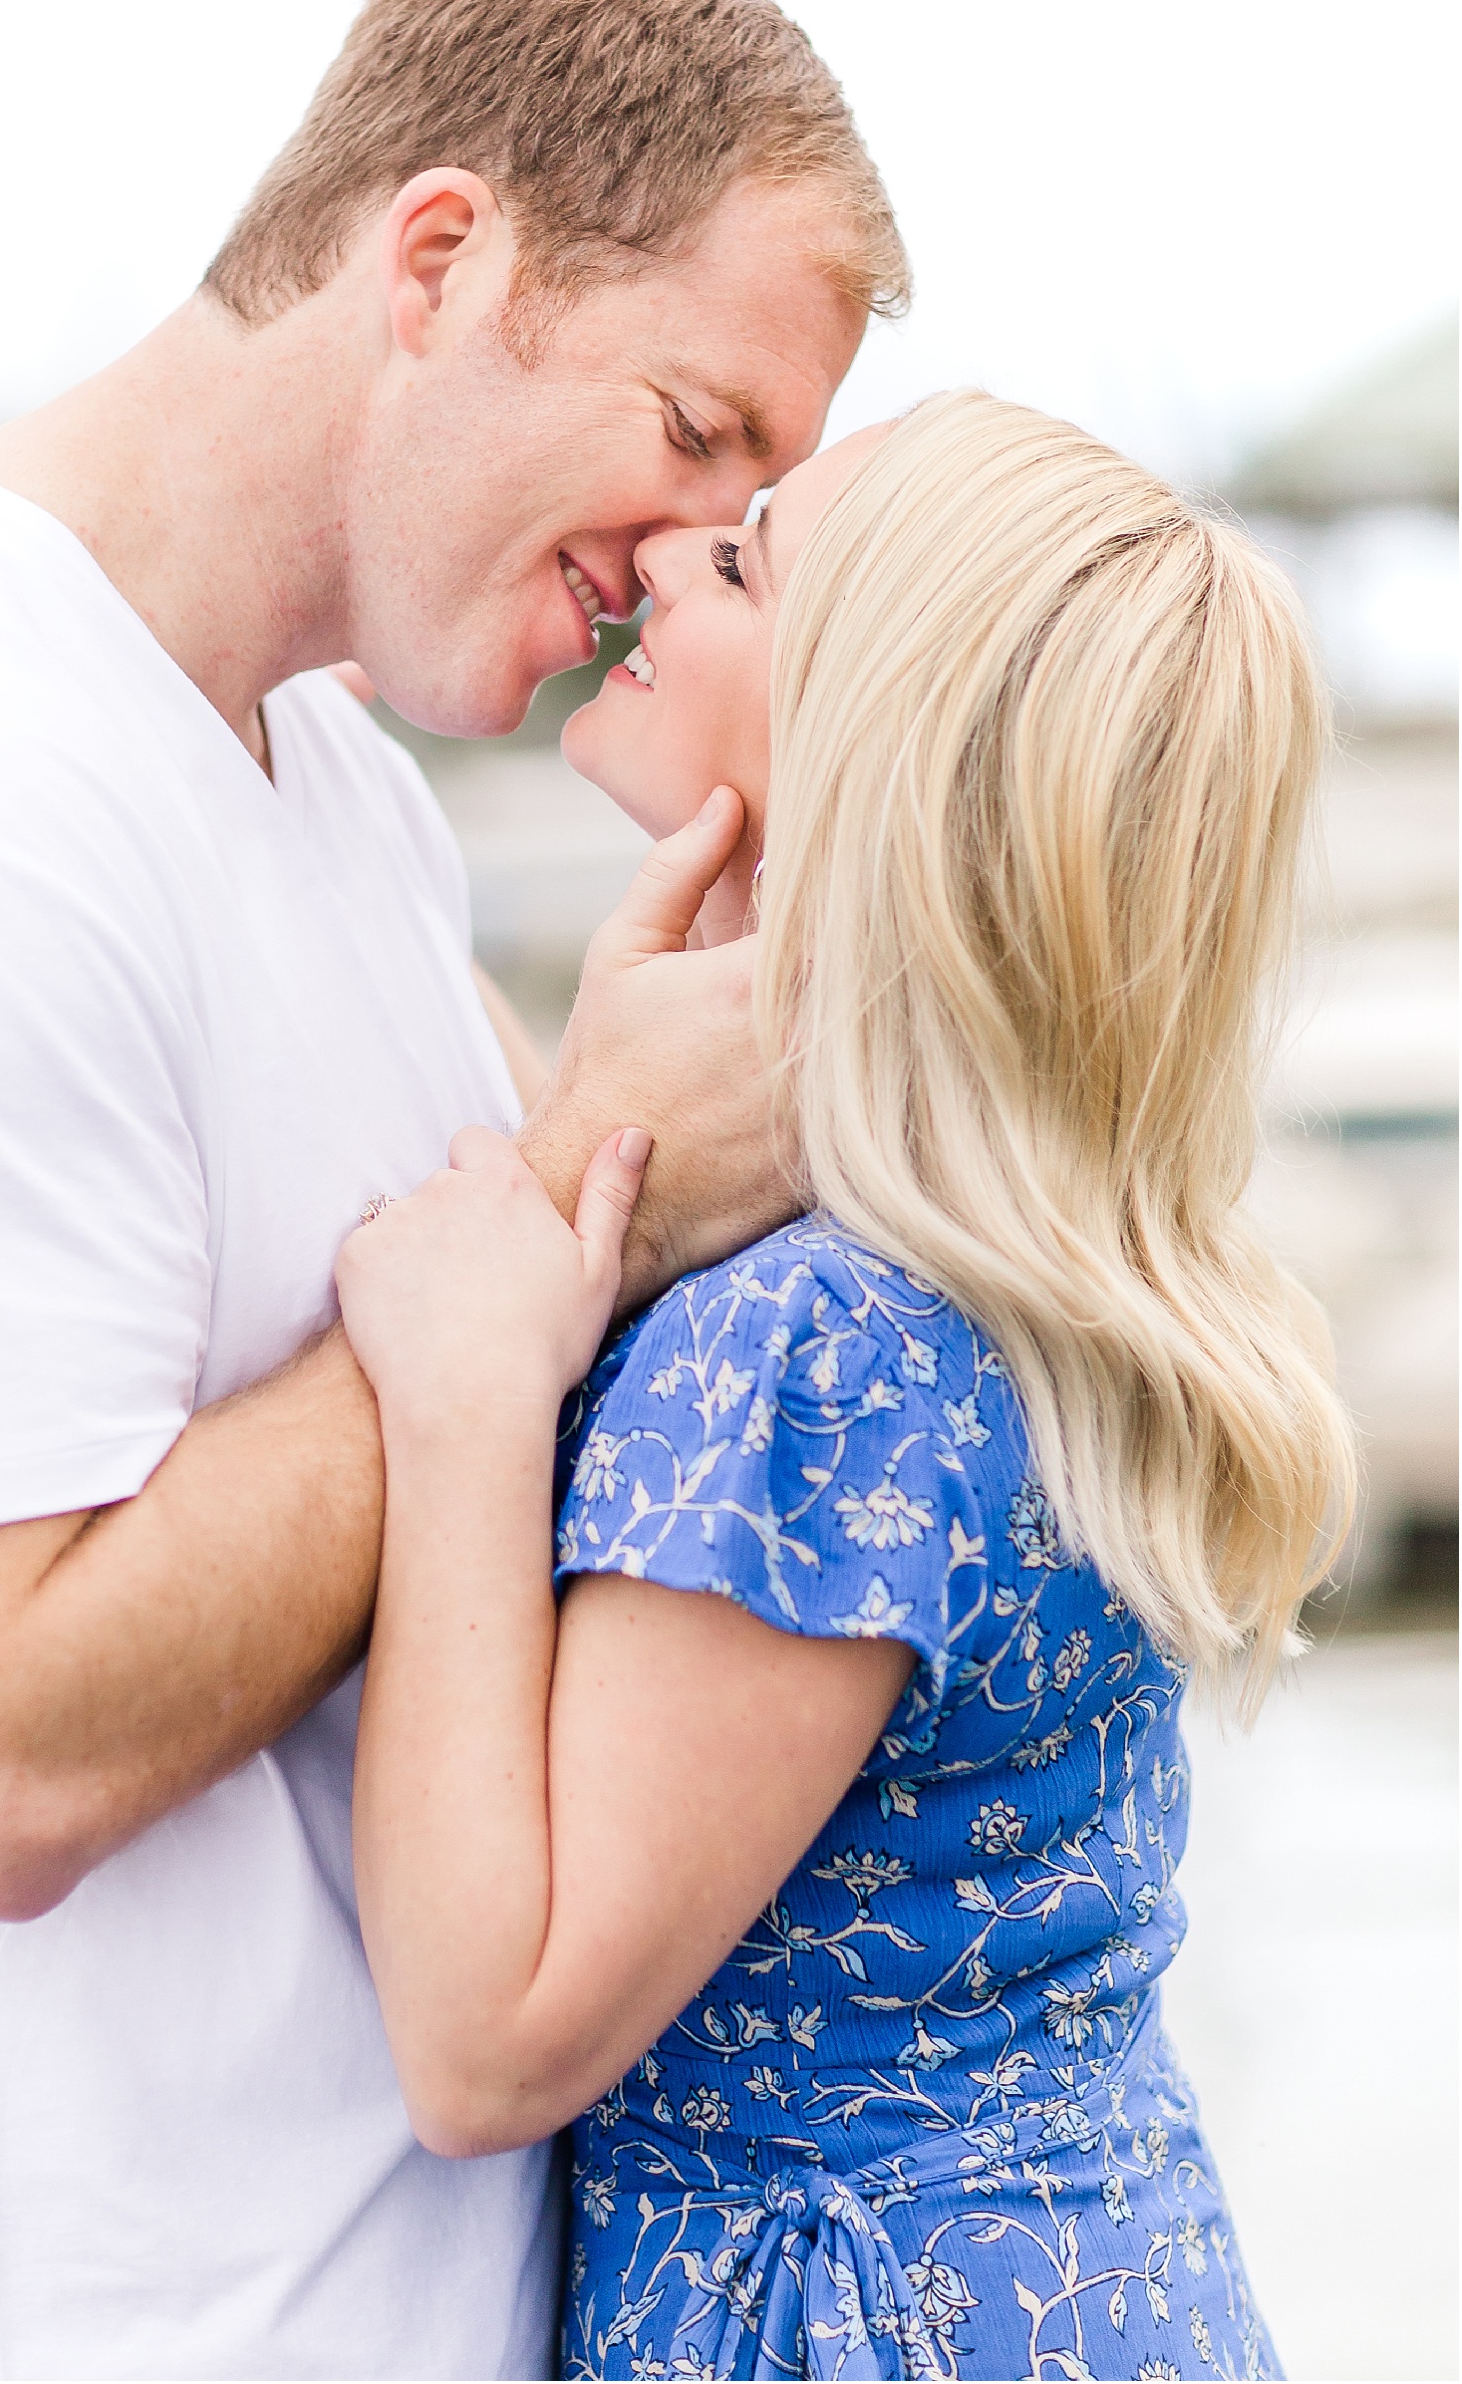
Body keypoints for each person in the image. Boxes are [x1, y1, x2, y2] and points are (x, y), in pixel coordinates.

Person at [0, 0, 910, 2381]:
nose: (689, 560)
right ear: (440, 252)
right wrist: (601, 1189)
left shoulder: (338, 786)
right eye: (698, 434)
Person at [336, 391, 1356, 2381]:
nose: (655, 553)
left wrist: (467, 1394)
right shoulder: (991, 1269)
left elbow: (487, 2031)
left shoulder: (817, 1349)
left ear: (863, 753)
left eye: (742, 561)